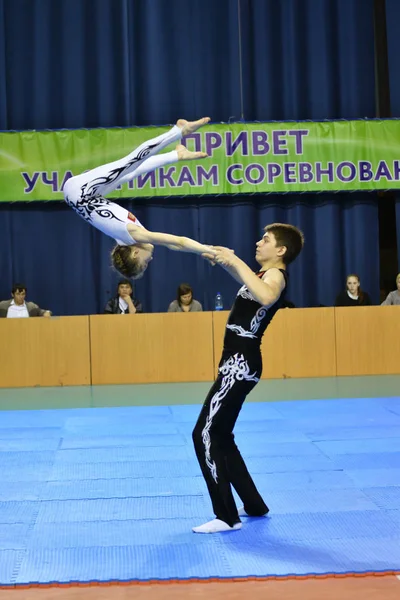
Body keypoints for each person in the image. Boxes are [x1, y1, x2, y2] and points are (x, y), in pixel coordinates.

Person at [192, 223, 304, 533]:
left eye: (265, 240)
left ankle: (226, 515)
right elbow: (251, 287)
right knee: (222, 436)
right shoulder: (261, 276)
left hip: (239, 365)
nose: (258, 243)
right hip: (238, 363)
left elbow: (267, 297)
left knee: (203, 434)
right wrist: (229, 262)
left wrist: (237, 260)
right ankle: (253, 504)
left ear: (280, 250)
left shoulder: (275, 276)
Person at [63, 117, 216, 279]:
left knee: (130, 163)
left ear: (135, 253)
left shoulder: (135, 235)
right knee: (130, 173)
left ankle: (178, 131)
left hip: (79, 191)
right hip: (84, 196)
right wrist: (204, 250)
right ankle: (177, 154)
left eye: (145, 263)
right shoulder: (124, 241)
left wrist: (207, 250)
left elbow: (178, 241)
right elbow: (173, 246)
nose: (150, 259)